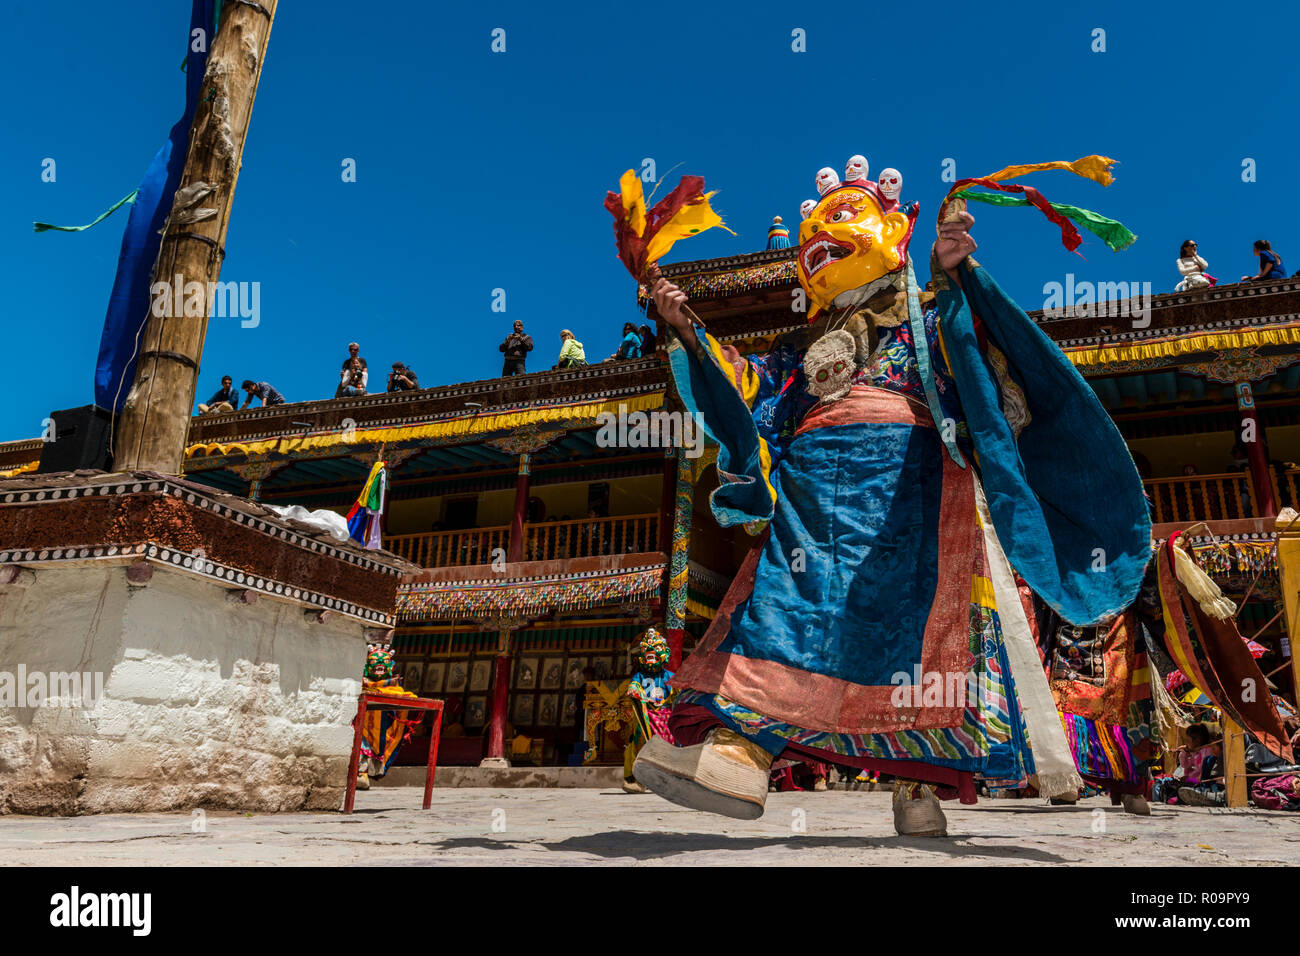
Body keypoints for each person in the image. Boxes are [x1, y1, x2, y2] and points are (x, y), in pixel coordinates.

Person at [631, 155, 1150, 837]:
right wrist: (689, 330)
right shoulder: (802, 346)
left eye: (843, 216)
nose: (822, 234)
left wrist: (957, 277)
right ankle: (739, 755)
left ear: (894, 227)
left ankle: (915, 786)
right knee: (784, 609)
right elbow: (749, 390)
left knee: (918, 644)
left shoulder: (926, 315)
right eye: (815, 224)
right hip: (812, 492)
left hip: (915, 486)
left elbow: (984, 372)